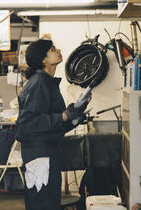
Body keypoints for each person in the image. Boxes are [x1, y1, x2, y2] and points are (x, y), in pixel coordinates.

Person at [15, 39, 89, 210]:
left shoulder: (47, 82)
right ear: (44, 59)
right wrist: (63, 116)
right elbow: (26, 125)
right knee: (44, 204)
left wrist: (75, 117)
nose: (58, 50)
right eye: (53, 49)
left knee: (49, 203)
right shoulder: (39, 83)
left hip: (47, 154)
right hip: (40, 156)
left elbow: (51, 124)